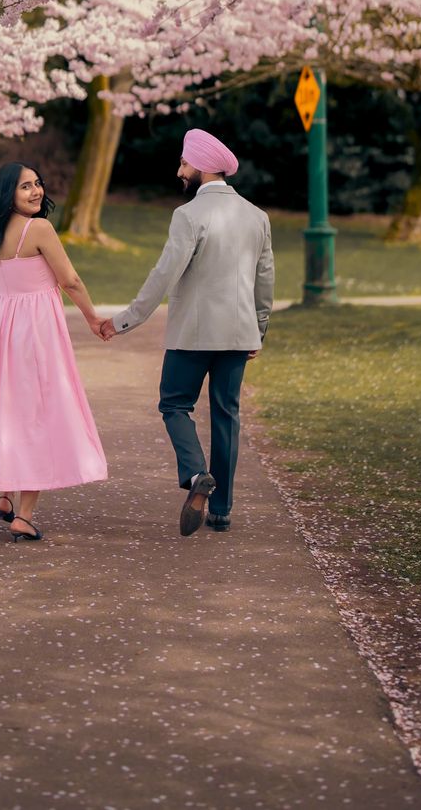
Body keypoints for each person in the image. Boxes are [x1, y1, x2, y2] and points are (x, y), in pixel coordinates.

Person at [100, 129, 274, 536]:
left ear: (200, 167)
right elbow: (265, 279)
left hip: (192, 336)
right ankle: (222, 511)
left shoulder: (188, 215)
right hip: (239, 336)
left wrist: (126, 320)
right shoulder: (257, 216)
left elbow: (165, 274)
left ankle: (197, 476)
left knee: (174, 405)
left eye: (183, 164)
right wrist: (259, 329)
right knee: (226, 415)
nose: (179, 172)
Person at [0, 162, 108, 542]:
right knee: (39, 412)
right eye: (25, 186)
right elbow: (70, 279)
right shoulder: (39, 228)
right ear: (8, 193)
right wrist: (93, 319)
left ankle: (6, 495)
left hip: (1, 329)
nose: (36, 191)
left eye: (38, 184)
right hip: (35, 331)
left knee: (7, 407)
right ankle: (23, 516)